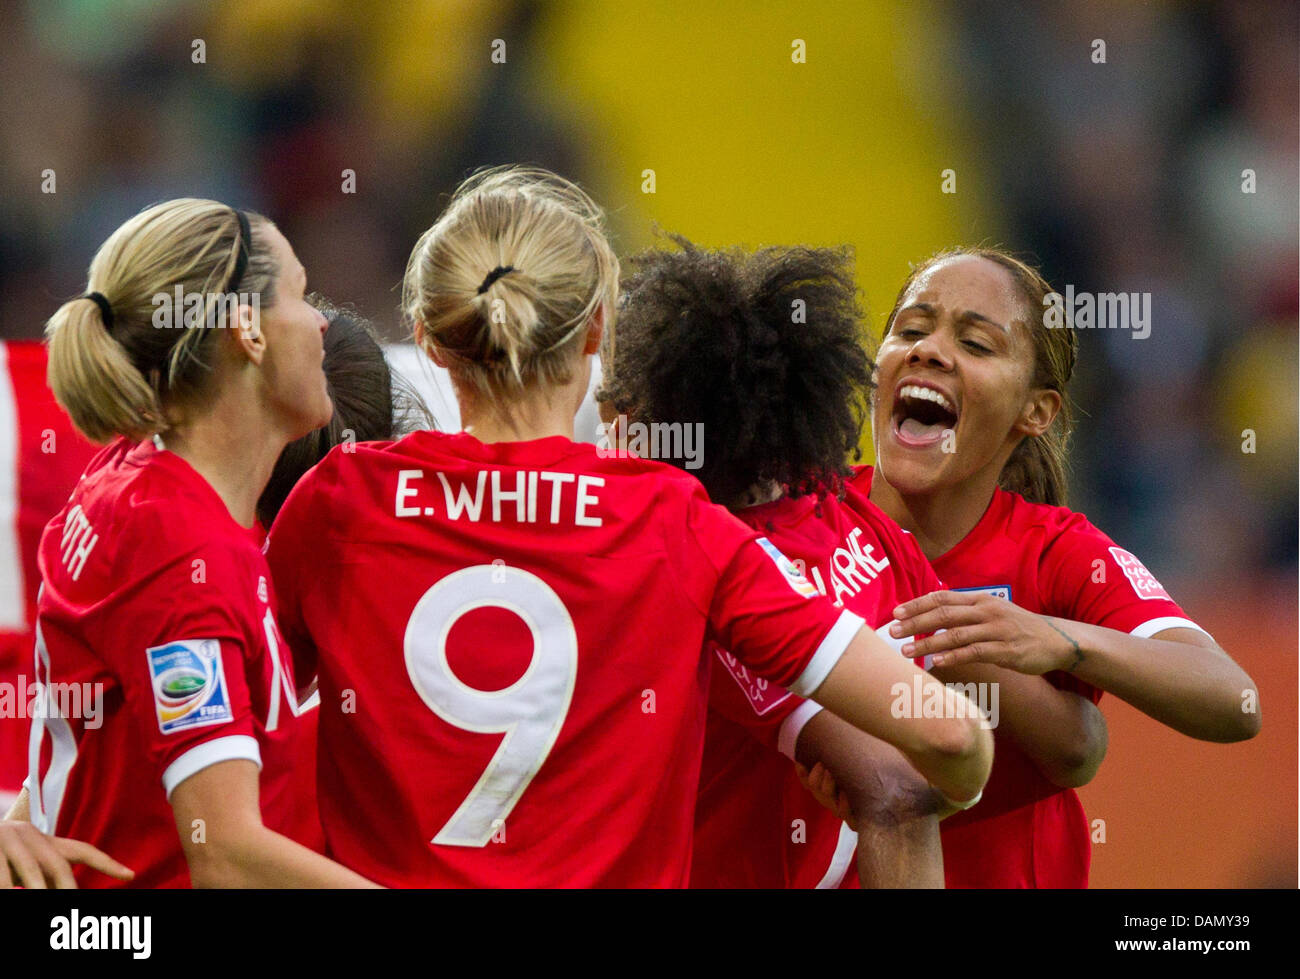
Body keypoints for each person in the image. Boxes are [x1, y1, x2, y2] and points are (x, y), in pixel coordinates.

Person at [265, 166, 993, 887]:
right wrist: (958, 779)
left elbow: (249, 720)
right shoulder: (674, 519)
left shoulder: (339, 501)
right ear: (597, 332)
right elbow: (950, 730)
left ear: (426, 337)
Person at [844, 246, 1260, 887]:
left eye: (977, 345)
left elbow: (1233, 700)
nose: (927, 350)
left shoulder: (1056, 550)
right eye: (911, 329)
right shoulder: (805, 520)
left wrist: (1059, 641)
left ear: (1035, 412)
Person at [13, 199, 376, 887]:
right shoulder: (182, 554)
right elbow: (226, 854)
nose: (322, 320)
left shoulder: (129, 471)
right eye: (301, 294)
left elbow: (100, 723)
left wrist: (23, 819)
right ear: (250, 332)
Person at [596, 237, 977, 888]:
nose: (610, 423)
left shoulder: (707, 569)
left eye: (625, 407)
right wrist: (958, 776)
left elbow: (894, 788)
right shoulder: (868, 528)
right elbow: (945, 727)